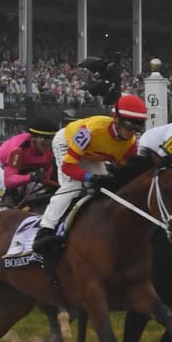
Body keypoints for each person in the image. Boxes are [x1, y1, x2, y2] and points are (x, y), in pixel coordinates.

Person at [32, 94, 149, 263]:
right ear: (115, 118)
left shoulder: (130, 144)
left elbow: (125, 176)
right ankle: (45, 230)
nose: (132, 132)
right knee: (75, 185)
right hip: (67, 143)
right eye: (130, 125)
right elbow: (68, 166)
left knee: (104, 191)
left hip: (92, 156)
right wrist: (89, 177)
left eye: (137, 128)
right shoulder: (91, 129)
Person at [0, 115, 61, 206]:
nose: (48, 148)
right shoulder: (18, 148)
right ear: (34, 139)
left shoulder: (51, 151)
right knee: (13, 192)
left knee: (39, 195)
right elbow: (9, 180)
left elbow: (47, 176)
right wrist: (30, 177)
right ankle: (2, 210)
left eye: (52, 143)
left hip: (21, 169)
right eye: (44, 143)